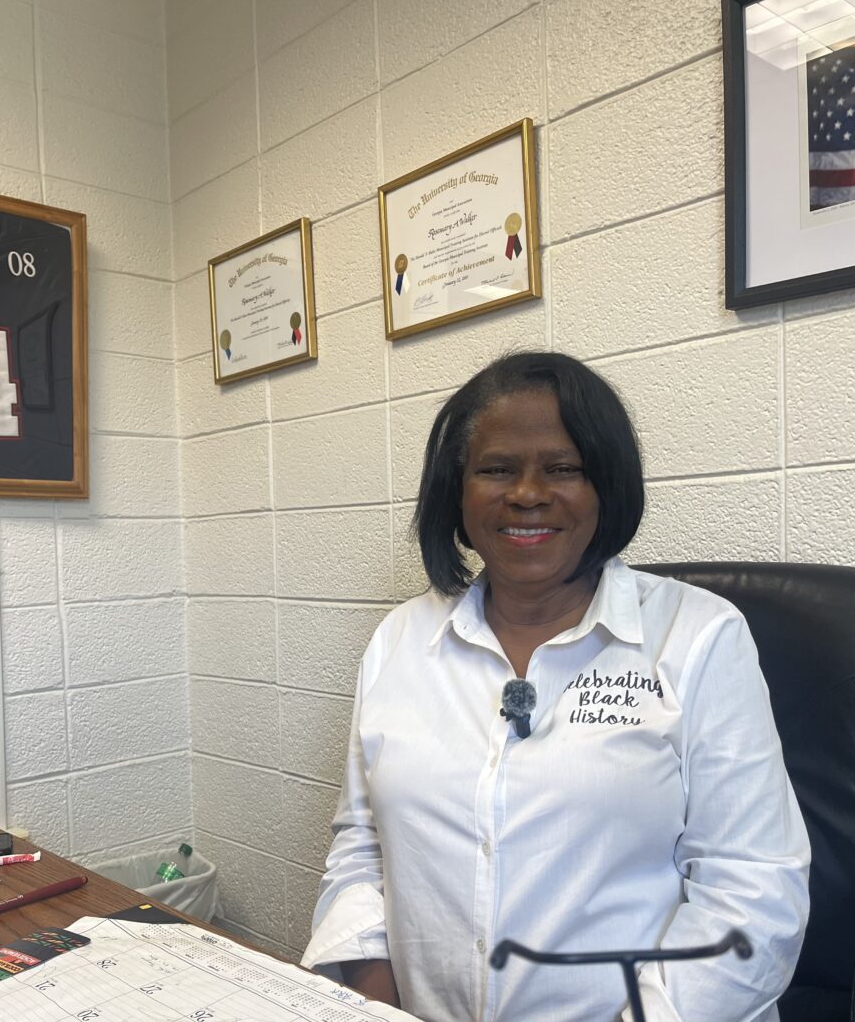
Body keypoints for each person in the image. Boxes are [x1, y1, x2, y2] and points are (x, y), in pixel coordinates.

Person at [301, 351, 810, 1022]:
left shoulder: (700, 637)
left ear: (607, 484)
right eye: (496, 469)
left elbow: (753, 891)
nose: (527, 493)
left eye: (564, 468)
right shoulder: (400, 640)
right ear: (457, 491)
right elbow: (364, 843)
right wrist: (373, 1001)